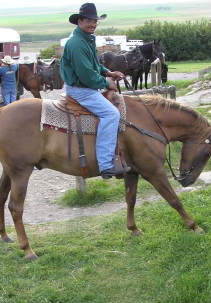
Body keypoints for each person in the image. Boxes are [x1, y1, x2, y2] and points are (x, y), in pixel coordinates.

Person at [60, 2, 130, 179]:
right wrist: (107, 83)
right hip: (81, 90)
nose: (93, 24)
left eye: (95, 21)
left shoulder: (85, 39)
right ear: (80, 21)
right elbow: (86, 75)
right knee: (111, 114)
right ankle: (105, 165)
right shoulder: (76, 44)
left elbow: (94, 65)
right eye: (89, 21)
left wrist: (108, 72)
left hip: (84, 86)